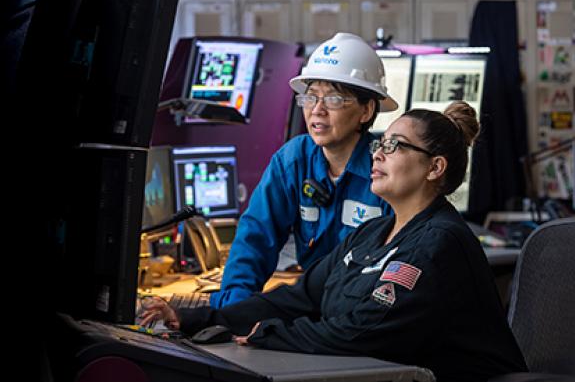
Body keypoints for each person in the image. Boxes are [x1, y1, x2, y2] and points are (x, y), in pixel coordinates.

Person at [142, 101, 528, 381]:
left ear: (435, 167)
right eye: (380, 144)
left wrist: (266, 334)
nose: (378, 153)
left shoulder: (439, 243)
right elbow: (299, 297)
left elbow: (363, 331)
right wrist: (199, 318)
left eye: (395, 146)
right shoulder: (372, 234)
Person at [209, 32, 399, 308]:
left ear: (366, 111)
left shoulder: (386, 168)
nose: (317, 111)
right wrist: (232, 312)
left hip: (362, 311)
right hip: (311, 302)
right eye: (311, 98)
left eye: (334, 99)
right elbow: (256, 237)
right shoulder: (293, 160)